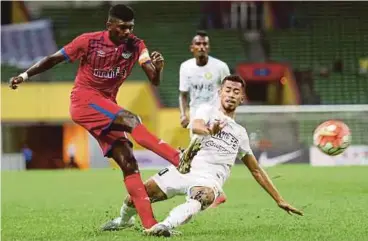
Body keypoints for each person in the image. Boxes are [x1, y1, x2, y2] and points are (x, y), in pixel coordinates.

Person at [9, 4, 193, 232]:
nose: (127, 32)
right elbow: (54, 59)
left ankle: (150, 225)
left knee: (128, 162)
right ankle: (178, 159)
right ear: (109, 25)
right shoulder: (88, 41)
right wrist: (24, 75)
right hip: (84, 101)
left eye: (130, 27)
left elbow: (153, 80)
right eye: (123, 27)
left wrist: (159, 68)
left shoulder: (136, 45)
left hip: (107, 107)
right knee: (132, 119)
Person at [102, 75, 303, 237]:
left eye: (236, 92)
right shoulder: (206, 110)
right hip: (184, 168)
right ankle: (123, 221)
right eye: (228, 90)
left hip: (210, 180)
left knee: (200, 198)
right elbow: (197, 126)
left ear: (242, 98)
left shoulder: (240, 133)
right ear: (220, 93)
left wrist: (279, 199)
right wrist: (209, 131)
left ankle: (164, 226)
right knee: (135, 197)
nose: (231, 95)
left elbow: (256, 170)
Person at [178, 30, 231, 207]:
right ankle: (214, 192)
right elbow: (183, 94)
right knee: (196, 154)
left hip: (215, 116)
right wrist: (183, 114)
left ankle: (207, 192)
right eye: (198, 44)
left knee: (204, 154)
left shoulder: (220, 67)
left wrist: (227, 116)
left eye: (205, 44)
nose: (202, 47)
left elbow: (228, 90)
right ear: (192, 48)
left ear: (208, 47)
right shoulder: (185, 67)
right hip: (196, 117)